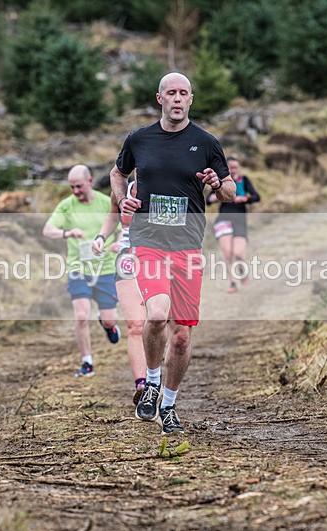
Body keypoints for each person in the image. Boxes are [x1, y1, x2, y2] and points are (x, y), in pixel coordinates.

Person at [109, 72, 235, 435]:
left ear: (191, 100)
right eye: (171, 93)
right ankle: (150, 382)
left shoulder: (207, 143)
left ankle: (167, 405)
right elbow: (117, 173)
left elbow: (228, 191)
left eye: (183, 93)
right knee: (158, 313)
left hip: (188, 246)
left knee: (181, 335)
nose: (177, 99)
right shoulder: (139, 139)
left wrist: (217, 183)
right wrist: (122, 199)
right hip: (148, 240)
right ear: (159, 98)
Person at [43, 164, 121, 378]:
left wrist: (117, 243)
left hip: (105, 268)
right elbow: (48, 230)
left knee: (110, 320)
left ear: (90, 182)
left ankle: (108, 326)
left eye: (78, 186)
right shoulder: (66, 206)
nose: (75, 191)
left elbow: (121, 230)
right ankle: (87, 362)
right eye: (71, 187)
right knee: (80, 316)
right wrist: (67, 233)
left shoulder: (106, 202)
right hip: (78, 268)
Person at [92, 178, 147, 404]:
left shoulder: (168, 181)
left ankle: (156, 374)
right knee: (136, 325)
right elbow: (113, 215)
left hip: (161, 257)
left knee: (160, 323)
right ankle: (143, 385)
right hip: (127, 258)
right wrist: (101, 237)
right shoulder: (123, 187)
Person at [206, 155, 260, 293]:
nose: (233, 170)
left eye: (235, 167)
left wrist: (244, 198)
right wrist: (213, 198)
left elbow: (256, 197)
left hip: (240, 220)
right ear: (226, 168)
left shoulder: (244, 180)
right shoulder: (221, 181)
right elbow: (209, 199)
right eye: (230, 167)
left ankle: (242, 269)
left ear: (239, 168)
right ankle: (233, 282)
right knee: (228, 253)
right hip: (223, 219)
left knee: (239, 253)